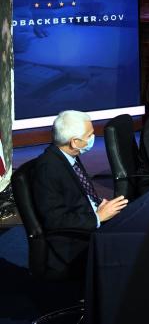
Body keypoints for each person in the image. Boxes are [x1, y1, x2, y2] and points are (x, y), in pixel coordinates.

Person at [30, 110, 128, 275]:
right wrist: (98, 217)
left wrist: (98, 205)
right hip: (70, 243)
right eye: (90, 135)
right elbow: (55, 220)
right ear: (74, 142)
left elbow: (78, 195)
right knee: (130, 246)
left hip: (87, 219)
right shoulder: (48, 169)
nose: (93, 137)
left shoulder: (68, 155)